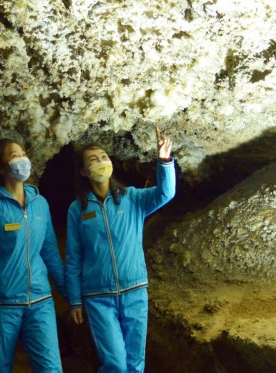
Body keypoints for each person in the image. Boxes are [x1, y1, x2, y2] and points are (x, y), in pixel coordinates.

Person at [66, 126, 175, 373]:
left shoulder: (132, 198)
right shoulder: (77, 210)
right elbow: (73, 259)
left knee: (135, 362)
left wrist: (164, 161)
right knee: (114, 363)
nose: (101, 162)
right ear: (83, 171)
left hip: (134, 289)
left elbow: (166, 193)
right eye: (93, 160)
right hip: (98, 297)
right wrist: (74, 301)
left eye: (104, 157)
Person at [0, 139, 68, 373]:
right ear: (0, 168)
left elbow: (51, 253)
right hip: (3, 303)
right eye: (15, 155)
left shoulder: (40, 203)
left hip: (41, 301)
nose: (23, 159)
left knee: (51, 369)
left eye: (24, 153)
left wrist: (71, 296)